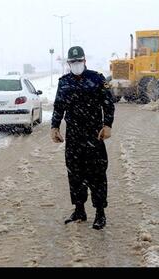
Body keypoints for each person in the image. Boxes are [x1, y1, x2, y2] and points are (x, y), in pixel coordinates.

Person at [51, 46, 115, 230]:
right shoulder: (64, 82)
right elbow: (58, 106)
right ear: (69, 64)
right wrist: (55, 126)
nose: (76, 64)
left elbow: (108, 104)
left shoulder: (97, 79)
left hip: (94, 134)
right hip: (73, 135)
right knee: (74, 173)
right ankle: (79, 210)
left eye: (79, 61)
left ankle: (100, 213)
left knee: (97, 174)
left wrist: (107, 125)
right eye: (73, 62)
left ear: (85, 61)